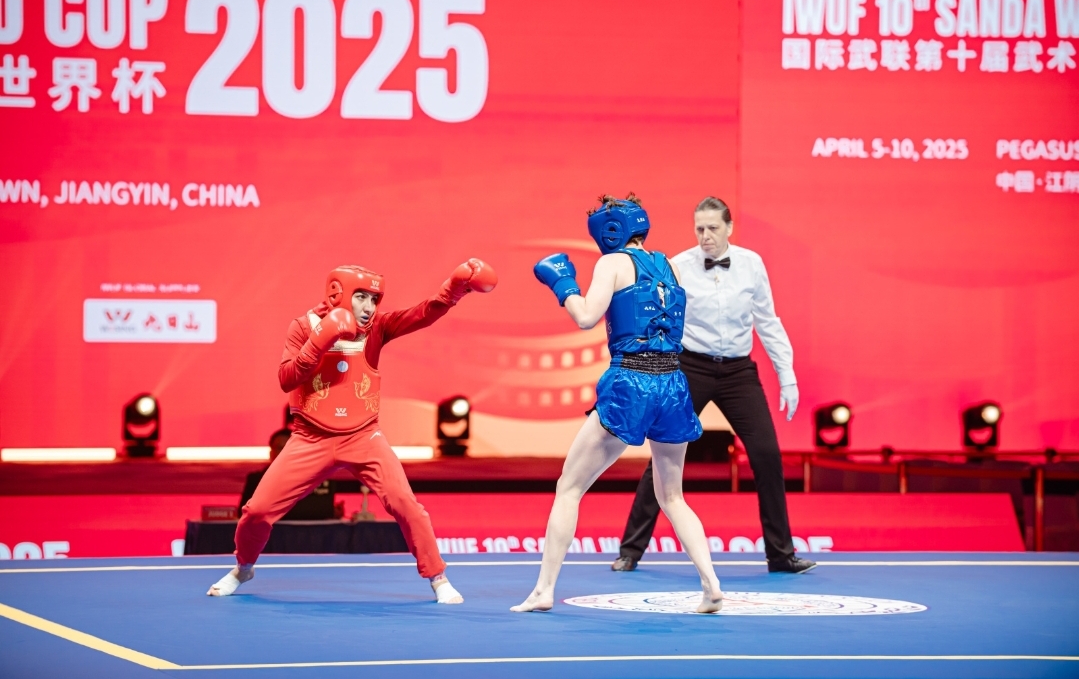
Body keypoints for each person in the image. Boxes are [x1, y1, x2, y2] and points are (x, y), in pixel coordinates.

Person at [208, 260, 498, 602]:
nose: (369, 307)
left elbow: (422, 313)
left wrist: (454, 289)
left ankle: (438, 578)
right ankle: (243, 568)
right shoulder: (303, 326)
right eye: (362, 297)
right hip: (310, 439)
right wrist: (321, 339)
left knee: (406, 504)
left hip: (363, 437)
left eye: (374, 299)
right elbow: (286, 379)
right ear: (337, 294)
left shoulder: (377, 328)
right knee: (256, 511)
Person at [512, 194, 723, 613]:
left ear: (609, 231)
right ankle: (712, 585)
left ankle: (543, 591)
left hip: (632, 381)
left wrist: (563, 285)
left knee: (569, 488)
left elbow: (586, 317)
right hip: (673, 383)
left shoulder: (611, 263)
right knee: (673, 497)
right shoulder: (672, 265)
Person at [611, 196, 815, 574]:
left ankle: (781, 555)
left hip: (739, 372)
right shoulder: (678, 265)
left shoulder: (751, 264)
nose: (705, 236)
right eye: (700, 229)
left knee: (767, 455)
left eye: (713, 228)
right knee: (664, 458)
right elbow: (658, 319)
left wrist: (786, 375)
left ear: (729, 228)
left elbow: (768, 321)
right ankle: (630, 550)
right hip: (690, 368)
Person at [239, 429, 338, 521]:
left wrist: (332, 511)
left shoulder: (310, 480)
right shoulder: (256, 480)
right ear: (271, 453)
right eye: (279, 448)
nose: (283, 452)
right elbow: (244, 514)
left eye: (288, 448)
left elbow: (316, 510)